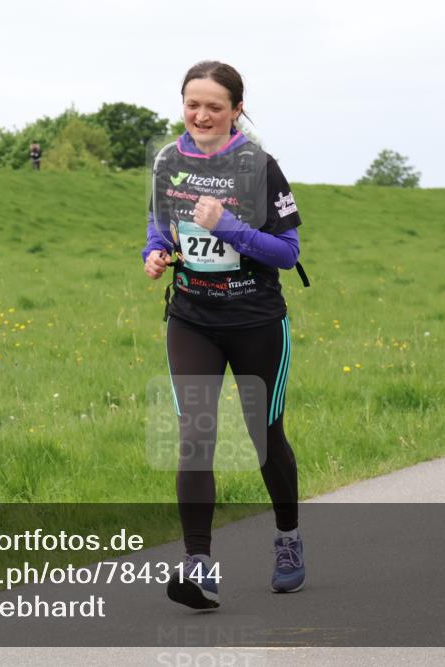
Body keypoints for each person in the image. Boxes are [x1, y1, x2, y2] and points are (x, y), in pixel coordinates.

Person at [142, 61, 307, 610]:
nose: (201, 114)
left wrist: (228, 227)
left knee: (264, 436)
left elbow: (288, 253)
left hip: (256, 320)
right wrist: (155, 253)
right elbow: (157, 223)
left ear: (237, 108)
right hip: (193, 317)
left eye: (215, 105)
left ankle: (287, 538)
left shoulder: (259, 166)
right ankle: (199, 568)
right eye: (193, 103)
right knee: (195, 434)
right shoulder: (169, 160)